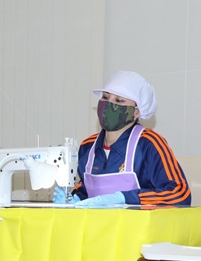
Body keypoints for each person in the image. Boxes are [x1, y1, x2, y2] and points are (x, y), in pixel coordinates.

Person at [53, 71, 191, 207]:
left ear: (136, 112)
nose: (108, 104)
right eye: (105, 98)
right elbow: (86, 191)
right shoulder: (88, 146)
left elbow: (179, 194)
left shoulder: (149, 144)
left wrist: (124, 198)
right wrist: (75, 199)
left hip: (137, 227)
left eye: (119, 100)